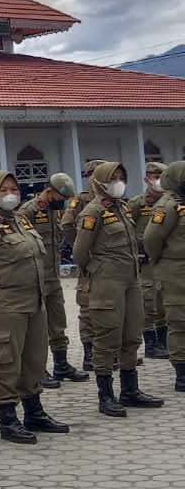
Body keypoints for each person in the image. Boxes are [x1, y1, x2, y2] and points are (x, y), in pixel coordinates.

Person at [0, 171, 69, 444]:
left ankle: (34, 411)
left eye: (14, 188)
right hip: (5, 306)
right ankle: (8, 419)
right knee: (5, 362)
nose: (10, 194)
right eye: (4, 189)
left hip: (34, 303)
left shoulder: (22, 221)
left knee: (33, 359)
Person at [73, 162, 164, 418]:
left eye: (121, 177)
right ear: (101, 181)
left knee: (132, 332)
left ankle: (130, 390)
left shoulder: (123, 207)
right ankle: (106, 396)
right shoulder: (93, 212)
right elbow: (80, 251)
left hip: (131, 279)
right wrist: (96, 268)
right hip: (107, 281)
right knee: (107, 337)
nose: (118, 182)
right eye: (113, 178)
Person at [17, 174, 90, 384]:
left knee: (58, 324)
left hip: (53, 277)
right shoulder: (28, 211)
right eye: (60, 195)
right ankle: (38, 370)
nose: (63, 200)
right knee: (38, 330)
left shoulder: (54, 211)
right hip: (35, 279)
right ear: (49, 191)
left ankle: (61, 365)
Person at [143, 160, 185, 393]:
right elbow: (151, 240)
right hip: (175, 272)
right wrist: (161, 259)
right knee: (179, 323)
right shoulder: (167, 205)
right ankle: (181, 374)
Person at [60, 160, 102, 372]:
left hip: (110, 264)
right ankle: (88, 354)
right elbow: (66, 224)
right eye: (95, 173)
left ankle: (110, 352)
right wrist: (80, 246)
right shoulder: (83, 200)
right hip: (90, 261)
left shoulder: (113, 200)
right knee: (87, 308)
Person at [129, 161, 169, 359]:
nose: (158, 181)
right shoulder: (137, 203)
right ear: (146, 179)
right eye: (154, 177)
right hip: (144, 259)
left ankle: (164, 342)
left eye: (161, 176)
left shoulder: (172, 202)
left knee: (163, 300)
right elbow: (127, 229)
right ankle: (151, 344)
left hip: (165, 258)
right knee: (148, 300)